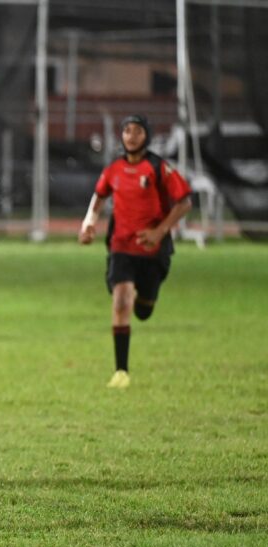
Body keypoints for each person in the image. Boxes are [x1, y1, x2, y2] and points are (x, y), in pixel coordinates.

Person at [79, 114, 193, 389]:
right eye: (127, 131)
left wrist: (159, 232)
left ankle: (145, 298)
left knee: (143, 311)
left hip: (152, 252)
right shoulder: (114, 169)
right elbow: (99, 196)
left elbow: (184, 202)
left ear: (147, 136)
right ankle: (121, 371)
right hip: (121, 247)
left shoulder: (158, 168)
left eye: (137, 131)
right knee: (121, 301)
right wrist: (89, 223)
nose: (131, 136)